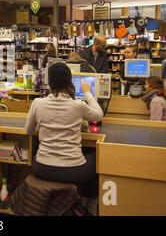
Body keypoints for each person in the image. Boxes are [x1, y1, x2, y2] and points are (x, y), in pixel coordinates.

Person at [25, 63, 103, 216]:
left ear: (49, 82)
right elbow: (99, 114)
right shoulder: (78, 105)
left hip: (41, 167)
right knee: (98, 159)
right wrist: (88, 93)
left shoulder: (37, 103)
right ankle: (82, 204)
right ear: (69, 82)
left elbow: (29, 130)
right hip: (72, 171)